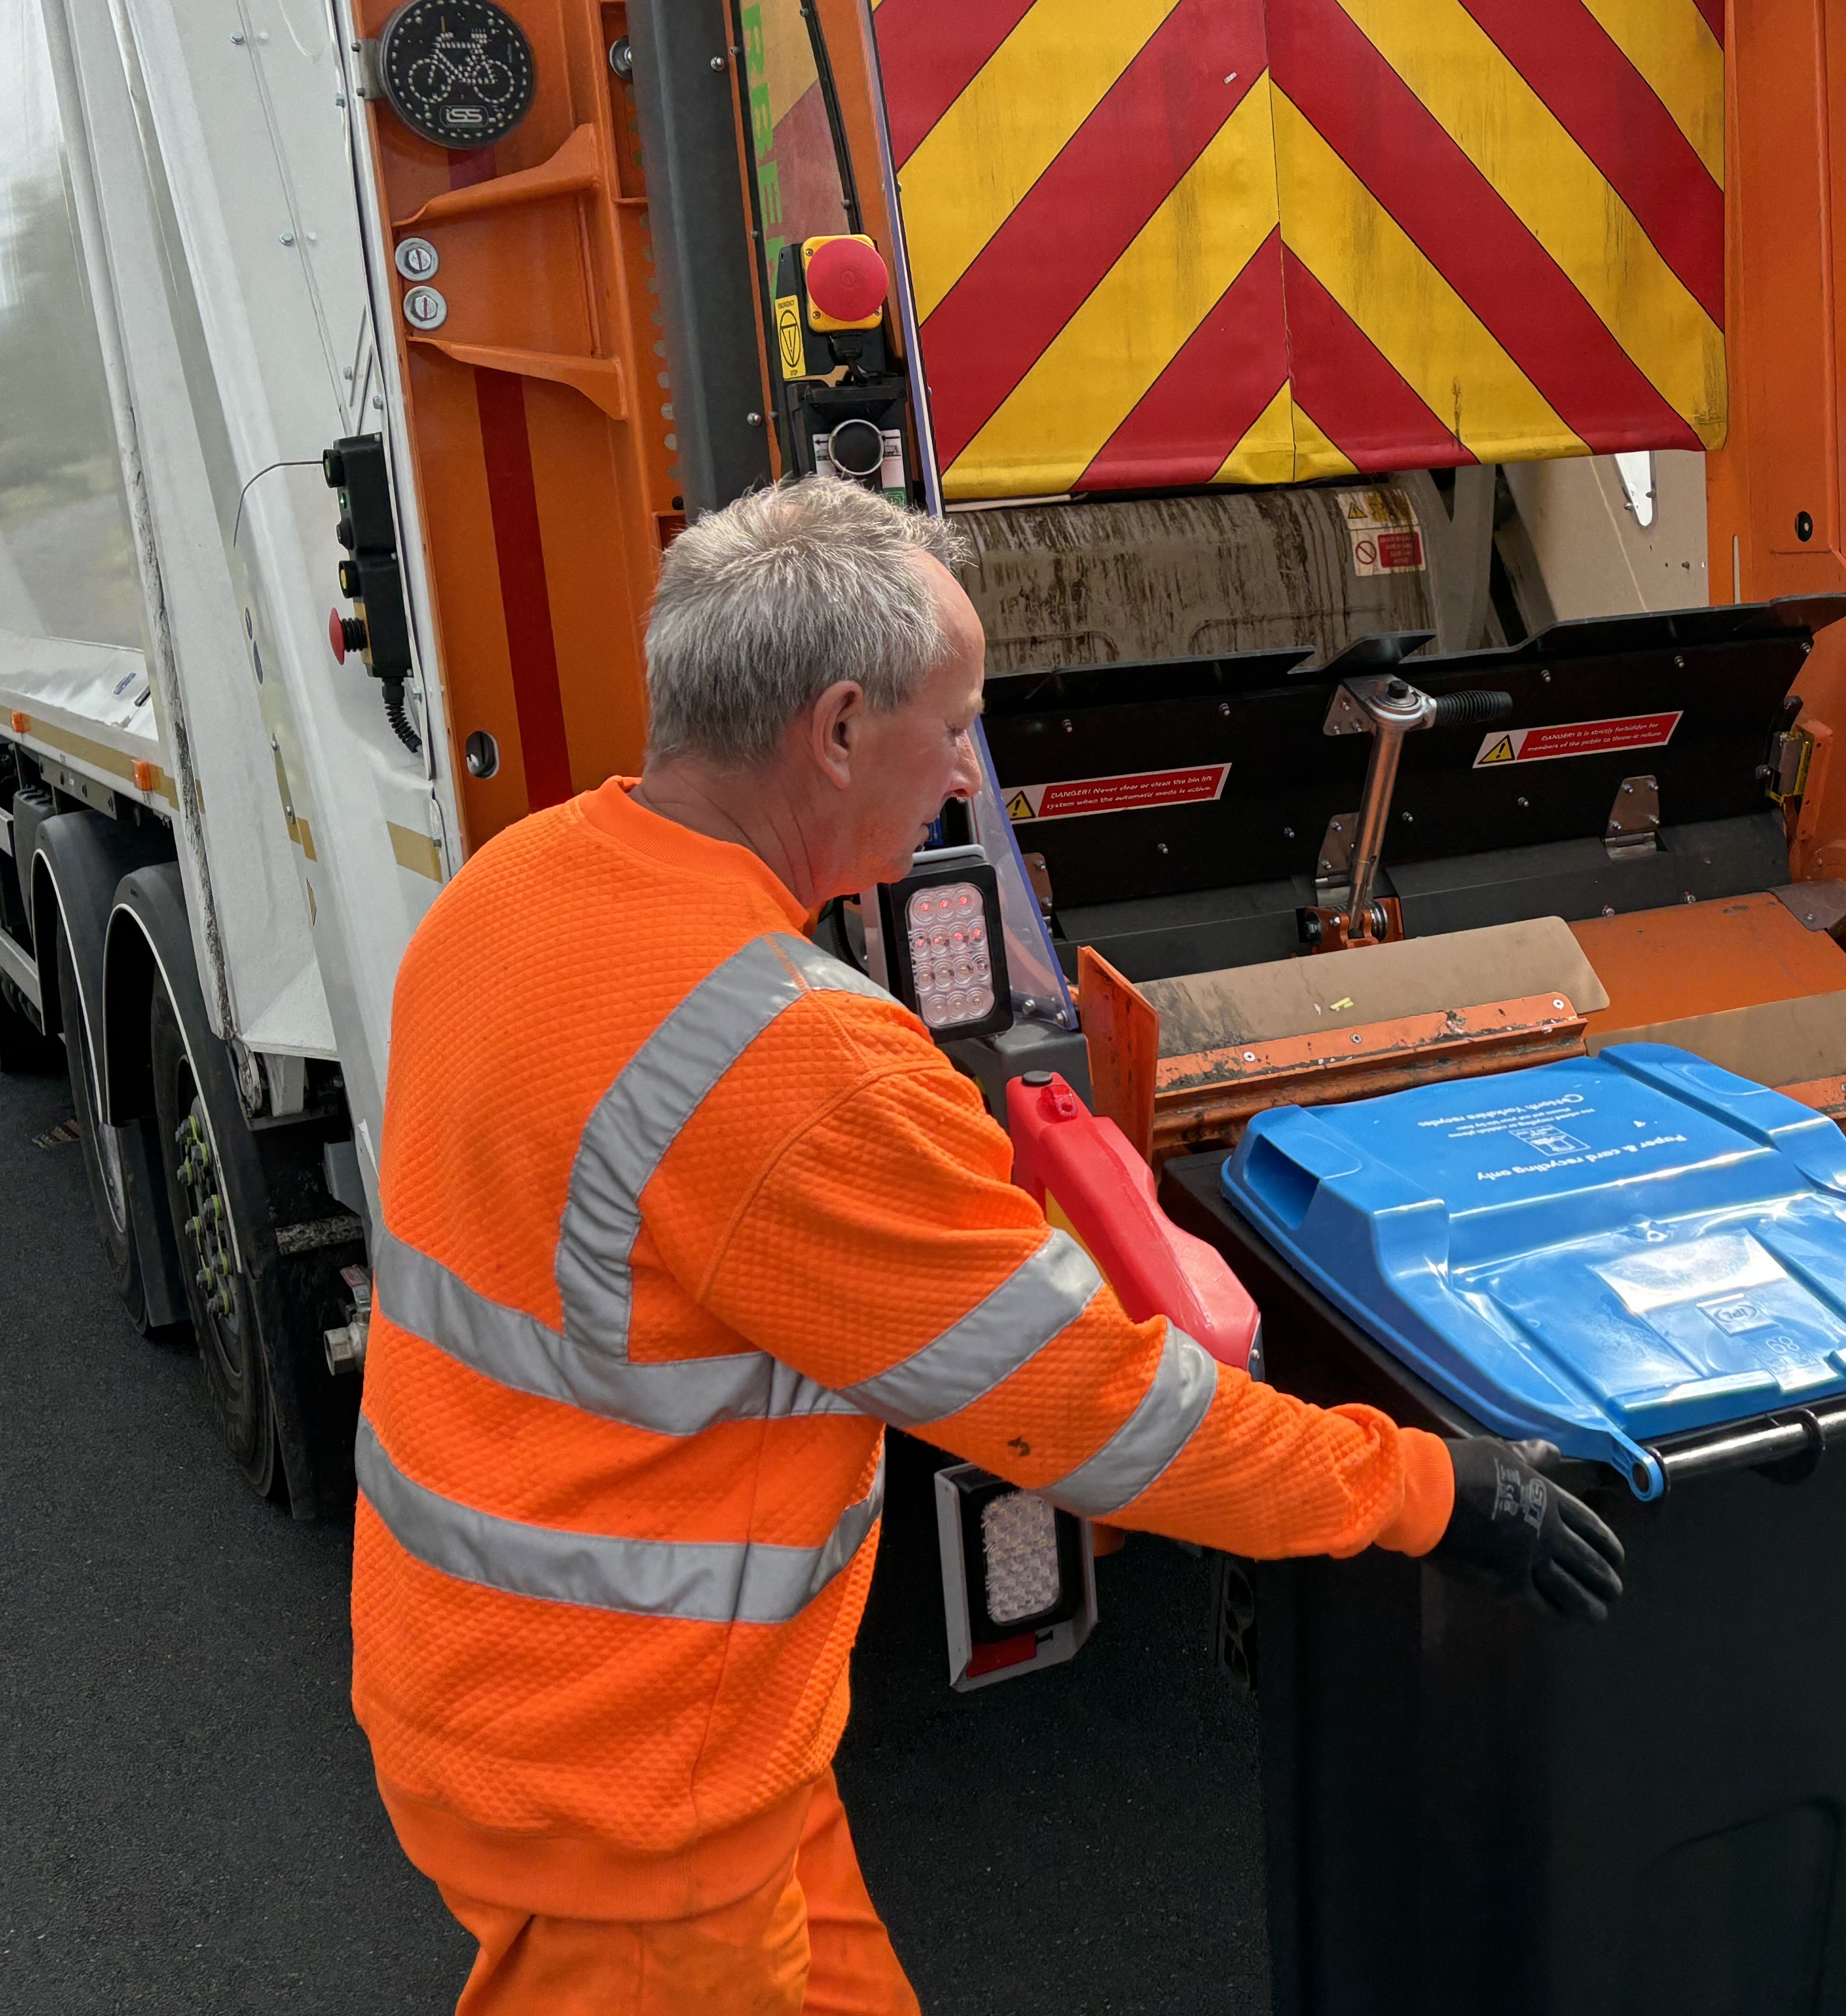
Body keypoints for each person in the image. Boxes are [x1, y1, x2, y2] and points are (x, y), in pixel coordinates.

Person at [350, 476, 1625, 2015]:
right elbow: (1112, 1421)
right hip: (634, 1805)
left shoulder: (515, 884)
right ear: (832, 729)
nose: (967, 780)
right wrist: (1434, 1487)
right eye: (955, 726)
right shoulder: (793, 1067)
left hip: (557, 1701)